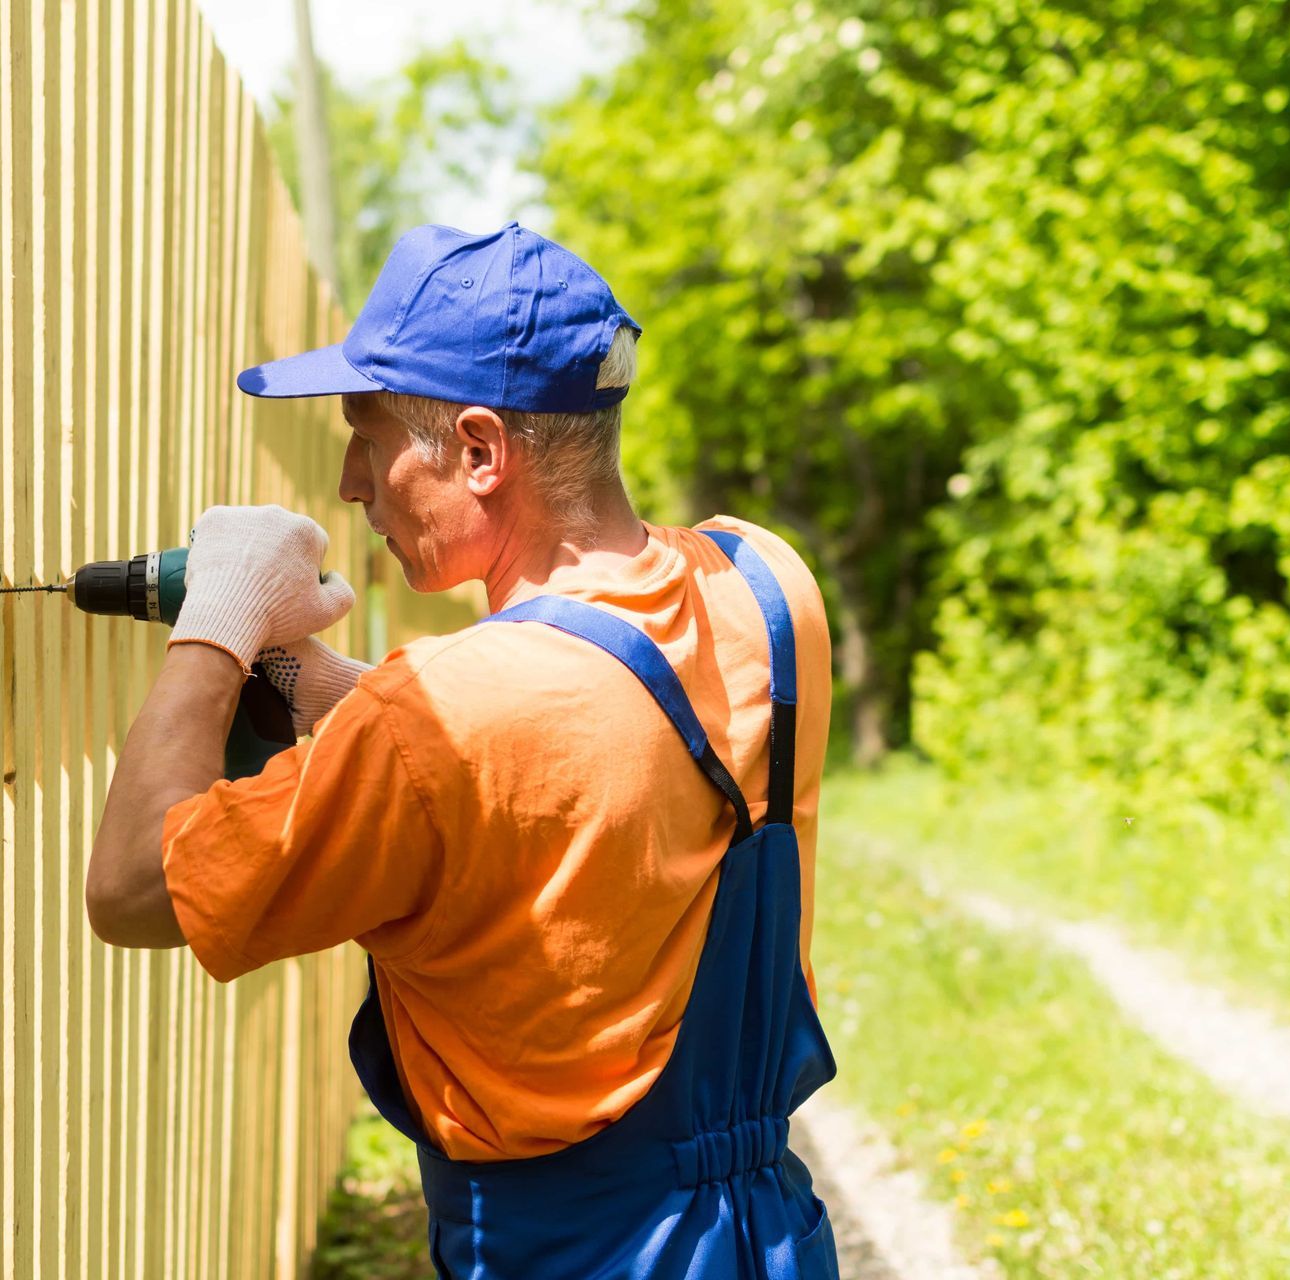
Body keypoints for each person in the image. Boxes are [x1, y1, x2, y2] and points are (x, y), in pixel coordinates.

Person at [86, 221, 840, 1279]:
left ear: (481, 451)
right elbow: (603, 753)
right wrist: (320, 683)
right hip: (768, 1238)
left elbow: (127, 889)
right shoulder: (767, 584)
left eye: (369, 437)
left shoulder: (444, 716)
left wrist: (216, 622)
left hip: (569, 1252)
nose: (353, 482)